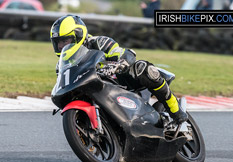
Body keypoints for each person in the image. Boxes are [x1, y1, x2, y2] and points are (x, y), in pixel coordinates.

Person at [50, 15, 188, 124]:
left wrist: (119, 63)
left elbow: (119, 51)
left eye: (65, 41)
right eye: (58, 43)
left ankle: (176, 111)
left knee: (144, 69)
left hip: (120, 81)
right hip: (94, 90)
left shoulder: (98, 42)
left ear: (78, 35)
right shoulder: (62, 64)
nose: (62, 46)